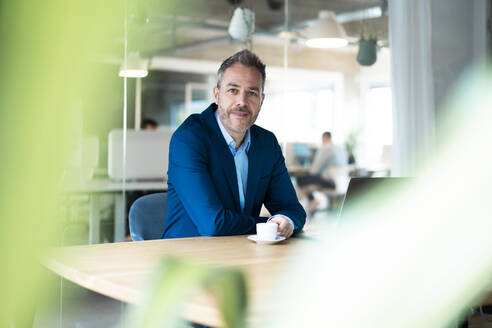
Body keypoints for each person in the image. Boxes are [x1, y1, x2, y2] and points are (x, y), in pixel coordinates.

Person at [162, 49, 306, 239]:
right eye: (233, 90)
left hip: (243, 252)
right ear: (217, 94)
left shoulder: (267, 143)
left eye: (252, 93)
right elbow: (213, 224)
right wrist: (270, 225)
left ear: (261, 100)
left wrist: (286, 220)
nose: (242, 102)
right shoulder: (189, 138)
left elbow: (293, 211)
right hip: (186, 259)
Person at [296, 132, 348, 213]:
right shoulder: (341, 149)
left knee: (299, 179)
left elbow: (314, 171)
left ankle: (312, 200)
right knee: (308, 179)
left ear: (324, 138)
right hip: (341, 183)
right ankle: (313, 200)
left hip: (330, 182)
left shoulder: (325, 148)